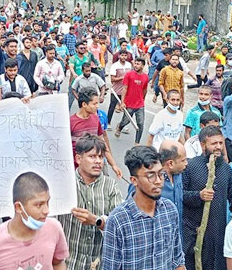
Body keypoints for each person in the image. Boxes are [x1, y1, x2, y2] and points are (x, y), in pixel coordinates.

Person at [102, 146, 185, 270]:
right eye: (150, 176)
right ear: (134, 180)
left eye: (161, 174)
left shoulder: (169, 210)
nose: (158, 181)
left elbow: (177, 259)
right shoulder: (118, 221)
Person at [0, 172, 69, 270]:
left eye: (47, 202)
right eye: (39, 205)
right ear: (19, 207)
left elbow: (58, 263)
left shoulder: (54, 228)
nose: (47, 210)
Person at [58, 135, 124, 270]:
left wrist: (97, 221)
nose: (98, 161)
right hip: (67, 264)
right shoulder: (63, 183)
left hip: (97, 264)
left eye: (101, 157)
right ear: (78, 159)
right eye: (92, 156)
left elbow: (120, 226)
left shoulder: (110, 186)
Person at [182, 125, 232, 270]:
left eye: (220, 143)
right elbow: (180, 195)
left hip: (218, 231)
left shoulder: (226, 169)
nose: (218, 147)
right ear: (203, 145)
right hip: (194, 230)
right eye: (214, 144)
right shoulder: (190, 166)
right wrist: (198, 195)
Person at [70, 88, 122, 177]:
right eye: (94, 103)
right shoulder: (71, 122)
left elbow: (102, 143)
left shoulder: (95, 119)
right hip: (75, 172)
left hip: (93, 171)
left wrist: (113, 164)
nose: (97, 106)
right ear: (84, 104)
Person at [115, 57, 148, 144]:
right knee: (125, 121)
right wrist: (122, 102)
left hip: (140, 104)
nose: (136, 65)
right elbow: (124, 88)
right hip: (129, 103)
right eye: (135, 63)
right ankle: (119, 127)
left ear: (143, 66)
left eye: (138, 64)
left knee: (140, 123)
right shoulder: (129, 75)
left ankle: (137, 142)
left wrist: (142, 100)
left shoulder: (145, 77)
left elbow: (145, 90)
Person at [107, 50, 132, 125]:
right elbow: (112, 79)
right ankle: (108, 123)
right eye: (122, 55)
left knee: (126, 108)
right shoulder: (115, 66)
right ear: (119, 56)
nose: (124, 57)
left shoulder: (129, 65)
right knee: (112, 106)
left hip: (126, 90)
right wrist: (123, 78)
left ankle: (123, 124)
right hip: (116, 90)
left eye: (125, 55)